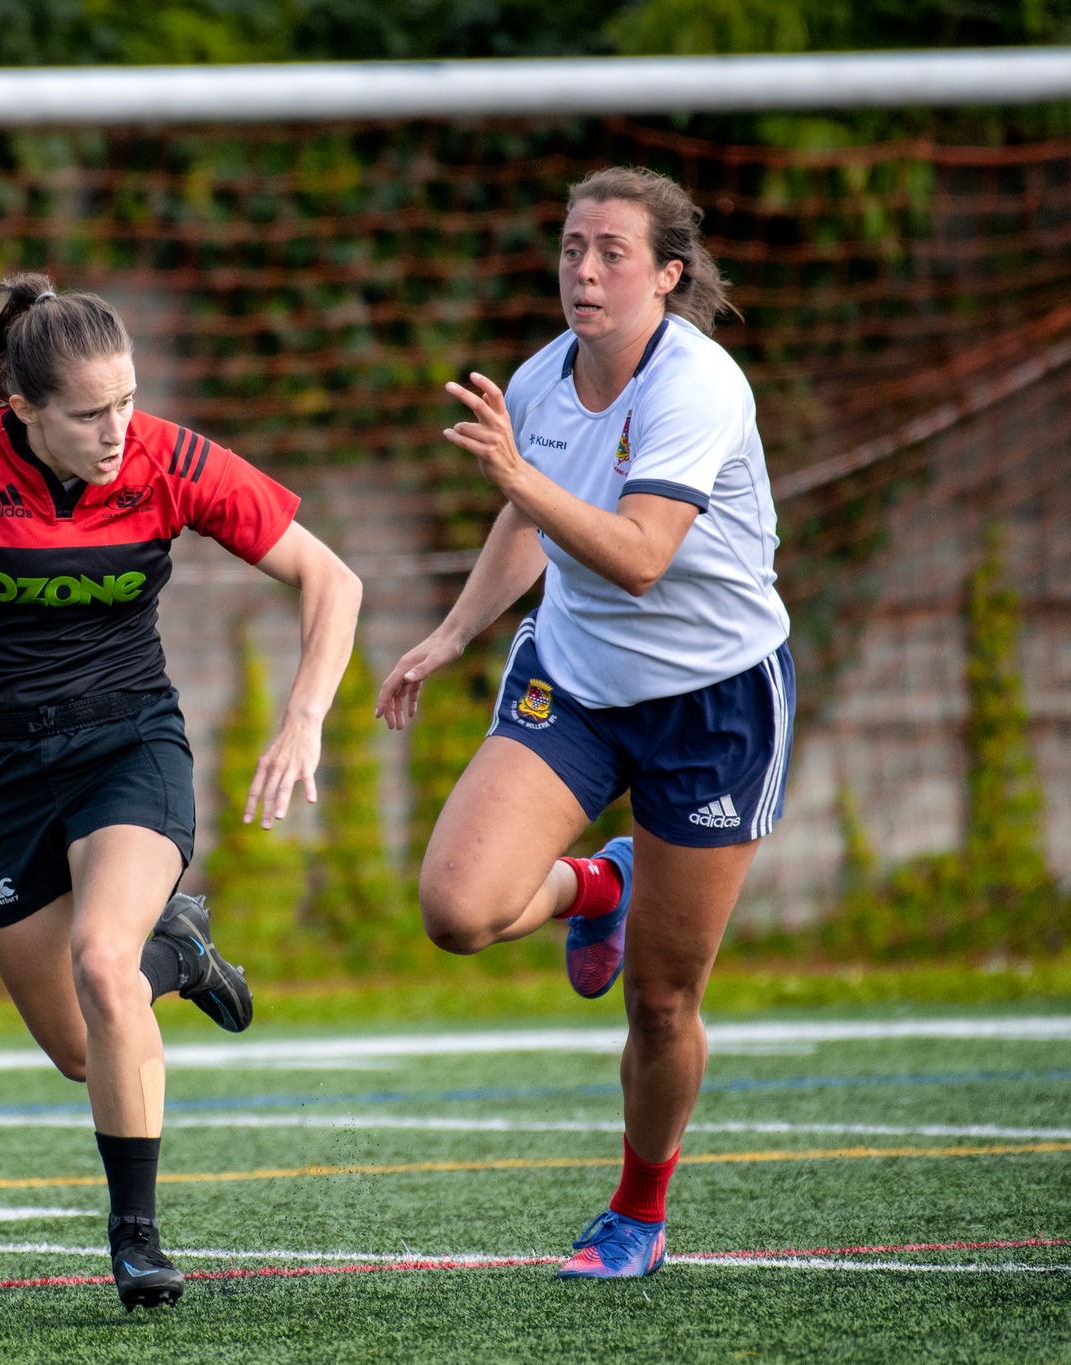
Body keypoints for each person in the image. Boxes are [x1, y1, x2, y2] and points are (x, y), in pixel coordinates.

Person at [0, 272, 362, 1308]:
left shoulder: (169, 459)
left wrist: (302, 715)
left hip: (126, 746)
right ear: (22, 412)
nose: (117, 429)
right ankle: (180, 953)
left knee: (99, 959)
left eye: (127, 400)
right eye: (89, 414)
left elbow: (331, 579)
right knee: (80, 1048)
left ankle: (135, 1238)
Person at [378, 166, 792, 1279]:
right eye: (570, 247)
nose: (584, 269)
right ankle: (599, 882)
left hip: (711, 705)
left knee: (661, 1001)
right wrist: (454, 633)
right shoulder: (540, 378)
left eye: (611, 251)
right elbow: (529, 523)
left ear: (666, 274)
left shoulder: (695, 387)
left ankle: (635, 1213)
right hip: (572, 681)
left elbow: (641, 556)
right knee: (456, 911)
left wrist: (517, 472)